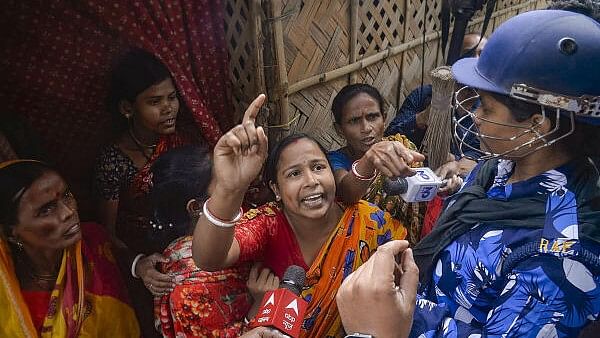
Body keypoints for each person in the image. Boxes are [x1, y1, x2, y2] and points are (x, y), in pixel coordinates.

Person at [337, 9, 600, 337]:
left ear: (537, 126)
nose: (475, 116)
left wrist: (374, 331)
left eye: (487, 107)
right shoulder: (499, 168)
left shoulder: (557, 265)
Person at [192, 94, 407, 337]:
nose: (311, 181)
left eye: (318, 167)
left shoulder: (369, 221)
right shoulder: (269, 223)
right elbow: (209, 258)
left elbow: (402, 288)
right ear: (276, 189)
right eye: (294, 174)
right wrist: (229, 188)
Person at [93, 48, 180, 337]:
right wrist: (138, 265)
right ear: (127, 108)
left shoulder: (184, 140)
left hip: (188, 251)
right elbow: (107, 233)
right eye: (155, 101)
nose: (168, 108)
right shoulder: (113, 160)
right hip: (143, 264)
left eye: (172, 97)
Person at [148, 145, 277, 337]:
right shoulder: (192, 287)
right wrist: (260, 304)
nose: (232, 183)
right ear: (195, 208)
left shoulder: (243, 221)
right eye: (222, 183)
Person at [0, 160, 139, 337]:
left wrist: (139, 264)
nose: (68, 212)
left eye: (66, 195)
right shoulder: (6, 296)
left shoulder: (95, 244)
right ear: (11, 233)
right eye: (46, 209)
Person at [327, 84, 460, 245]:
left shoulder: (402, 147)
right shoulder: (335, 159)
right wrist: (369, 160)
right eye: (354, 121)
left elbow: (421, 196)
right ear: (339, 129)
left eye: (372, 117)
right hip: (361, 250)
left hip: (408, 247)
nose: (366, 128)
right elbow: (347, 193)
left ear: (384, 118)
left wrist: (444, 187)